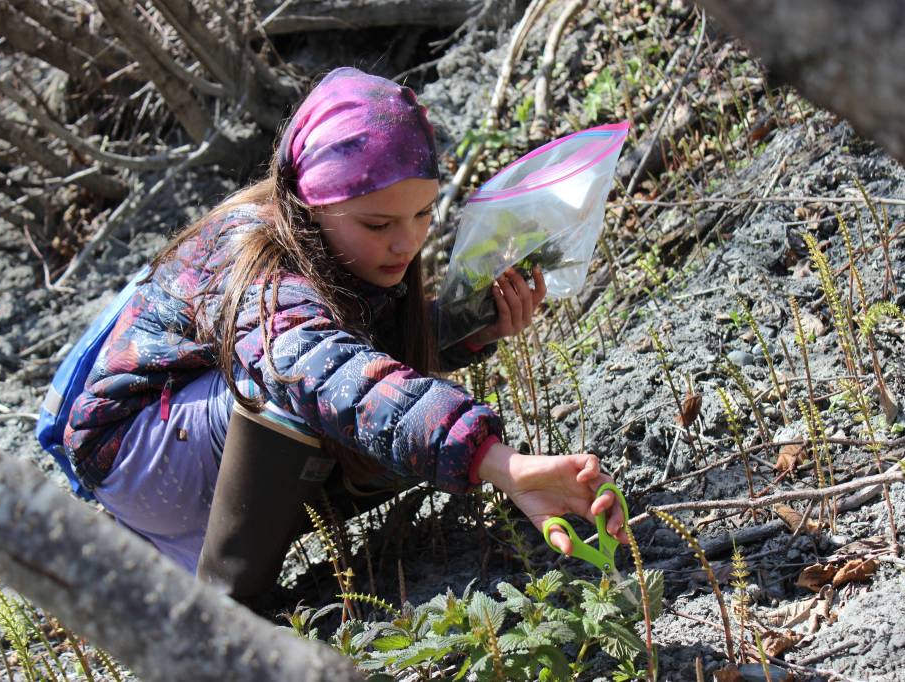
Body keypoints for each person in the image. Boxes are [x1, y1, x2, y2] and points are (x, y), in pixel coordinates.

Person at [63, 67, 626, 612]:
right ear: (310, 205)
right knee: (296, 387)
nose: (406, 244)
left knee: (378, 418)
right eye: (377, 225)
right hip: (136, 454)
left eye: (424, 213)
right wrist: (497, 462)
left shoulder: (357, 248)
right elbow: (320, 367)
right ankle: (226, 611)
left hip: (203, 449)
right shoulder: (251, 252)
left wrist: (476, 327)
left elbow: (363, 356)